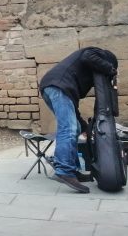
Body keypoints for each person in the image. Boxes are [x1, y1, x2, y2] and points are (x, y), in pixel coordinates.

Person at [39, 47, 119, 194]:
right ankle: (64, 171)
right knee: (68, 129)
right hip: (57, 87)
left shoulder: (74, 77)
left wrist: (83, 126)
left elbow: (73, 109)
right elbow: (87, 56)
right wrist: (111, 69)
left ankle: (73, 171)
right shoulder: (95, 52)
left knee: (73, 127)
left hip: (55, 88)